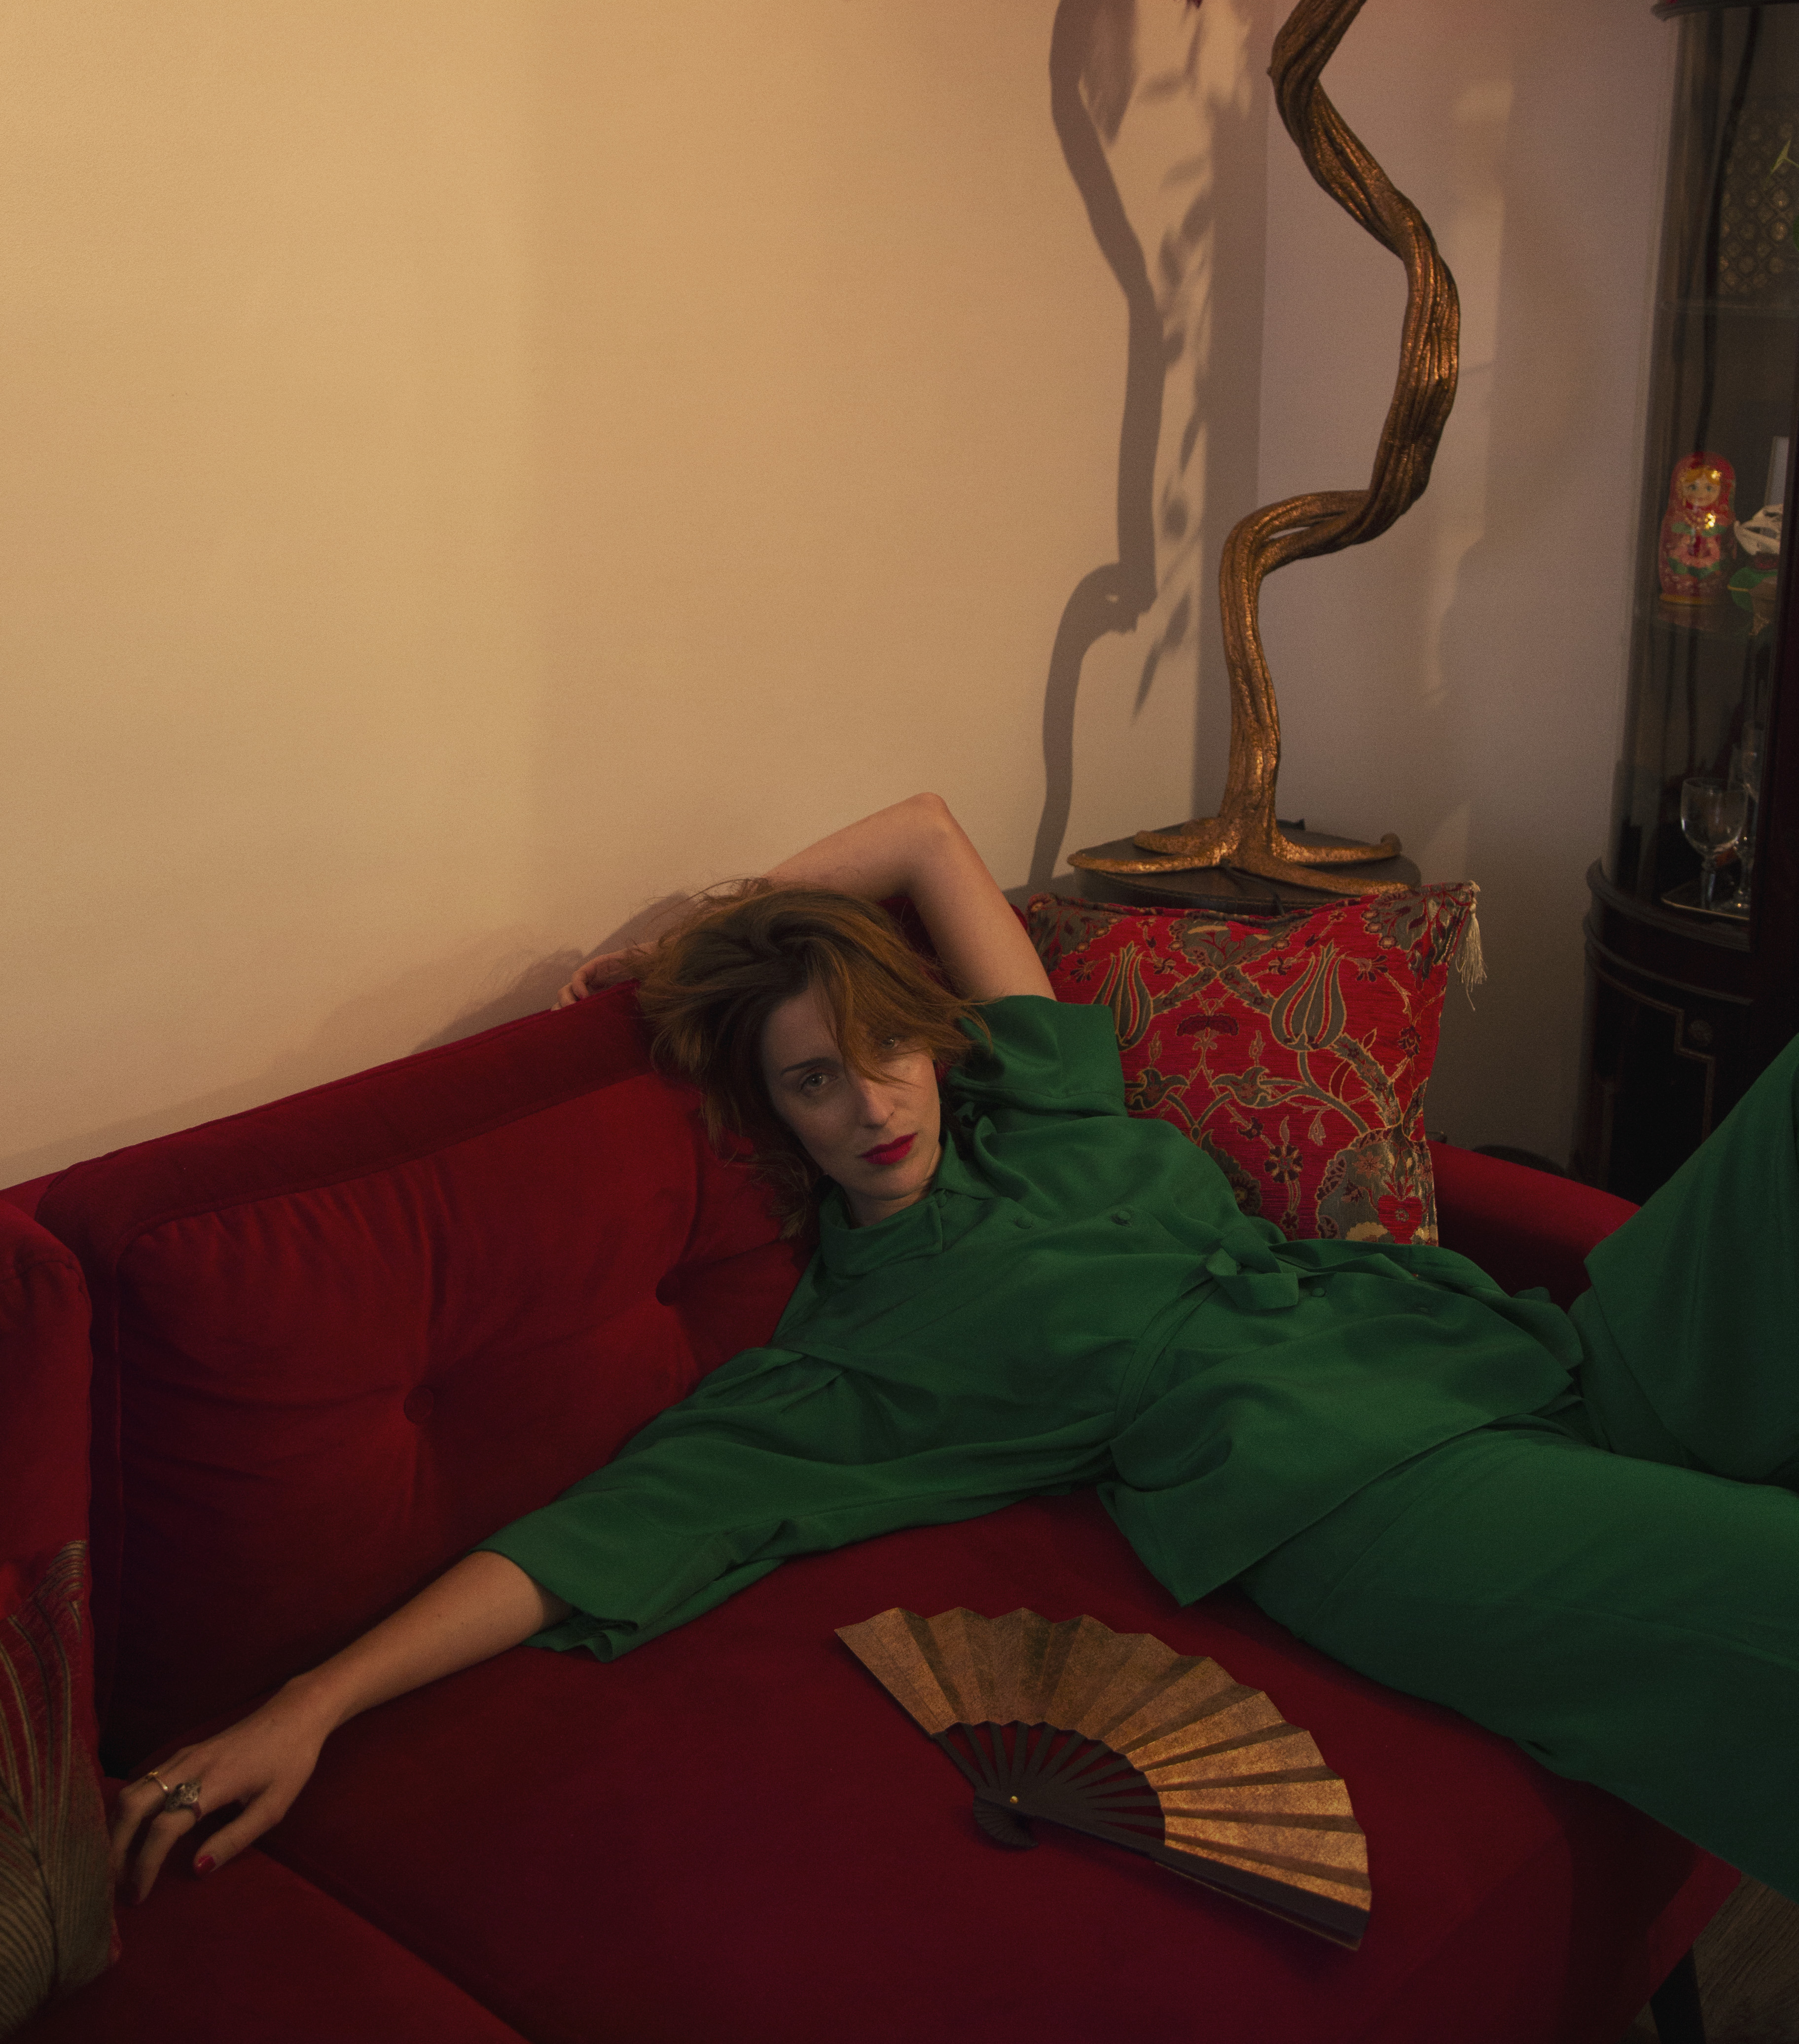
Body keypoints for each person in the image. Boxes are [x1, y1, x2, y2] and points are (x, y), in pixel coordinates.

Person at [111, 793, 1799, 1909]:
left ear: (929, 1041)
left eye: (880, 1052)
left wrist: (720, 927)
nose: (870, 1106)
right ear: (775, 1117)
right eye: (811, 1083)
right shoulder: (863, 1354)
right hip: (1351, 1492)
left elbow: (926, 837)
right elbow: (595, 1537)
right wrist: (308, 1706)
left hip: (1491, 1352)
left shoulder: (1041, 1116)